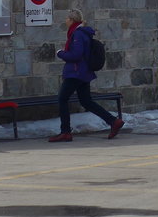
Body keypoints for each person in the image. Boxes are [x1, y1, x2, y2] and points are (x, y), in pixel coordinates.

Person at [48, 8, 125, 142]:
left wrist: (61, 53)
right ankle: (113, 121)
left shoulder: (77, 34)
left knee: (62, 99)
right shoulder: (81, 33)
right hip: (83, 72)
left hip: (76, 72)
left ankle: (65, 131)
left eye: (67, 18)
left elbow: (76, 55)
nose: (65, 20)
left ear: (72, 20)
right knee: (86, 101)